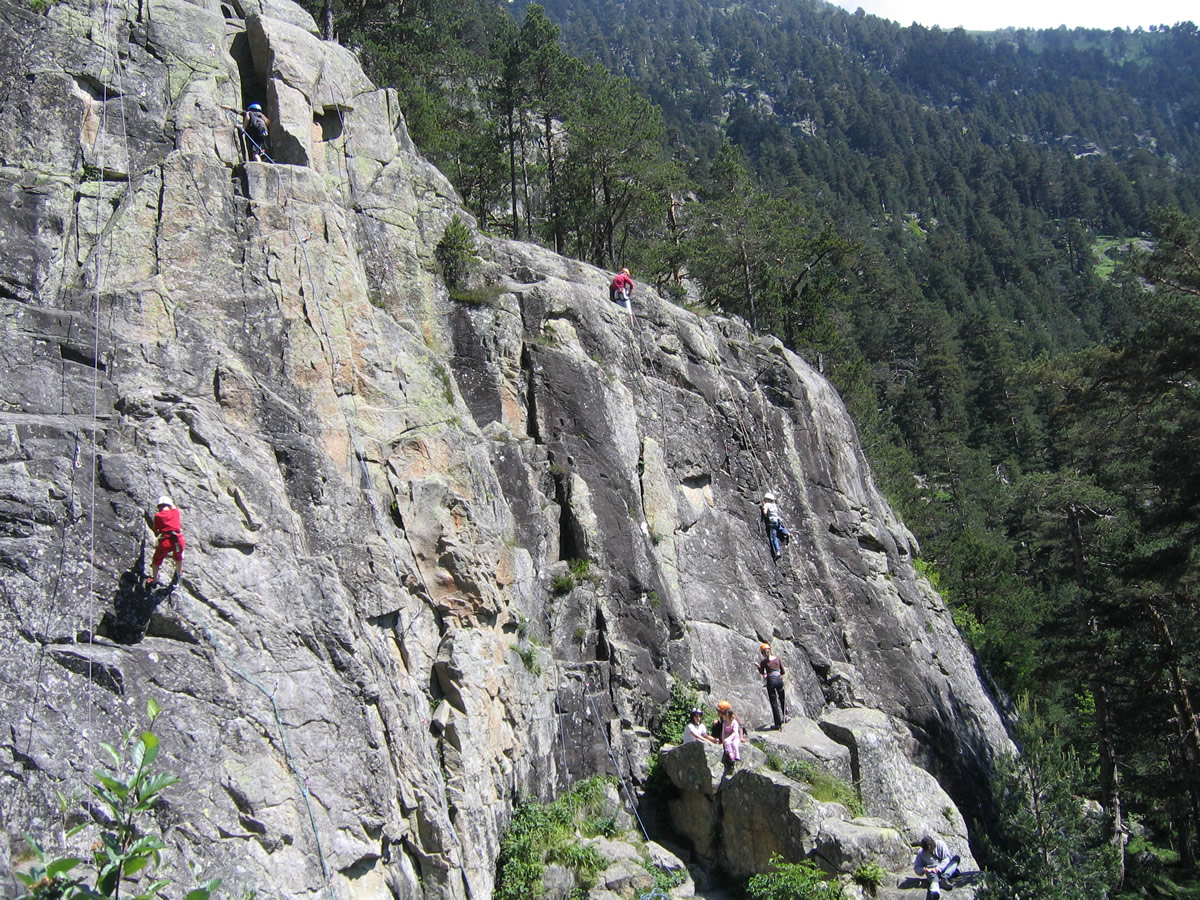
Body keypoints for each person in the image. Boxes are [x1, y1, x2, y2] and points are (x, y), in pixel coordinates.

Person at [146, 496, 185, 588]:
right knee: (178, 556)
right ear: (170, 505)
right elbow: (174, 507)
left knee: (157, 560)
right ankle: (178, 573)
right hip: (178, 540)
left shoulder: (158, 516)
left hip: (165, 542)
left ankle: (154, 581)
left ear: (159, 507)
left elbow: (157, 529)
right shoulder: (176, 512)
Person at [756, 643, 787, 730]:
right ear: (770, 650)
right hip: (779, 680)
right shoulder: (777, 659)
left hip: (771, 681)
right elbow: (783, 671)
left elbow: (762, 672)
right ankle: (786, 716)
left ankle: (778, 724)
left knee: (774, 702)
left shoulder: (763, 662)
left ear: (762, 653)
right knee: (782, 698)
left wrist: (758, 666)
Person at [761, 492, 790, 560]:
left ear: (768, 499)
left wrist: (763, 507)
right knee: (779, 527)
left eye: (765, 499)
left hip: (772, 523)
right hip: (777, 521)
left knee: (773, 538)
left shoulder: (767, 504)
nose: (764, 500)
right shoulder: (774, 505)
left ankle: (777, 552)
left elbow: (765, 512)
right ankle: (786, 532)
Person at [716, 700, 744, 765]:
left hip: (734, 734)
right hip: (727, 733)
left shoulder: (732, 718)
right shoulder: (723, 718)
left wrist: (741, 737)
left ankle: (735, 756)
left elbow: (741, 726)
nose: (718, 713)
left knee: (734, 744)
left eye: (719, 711)